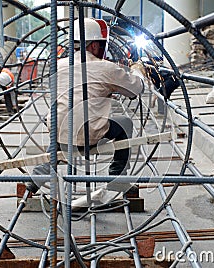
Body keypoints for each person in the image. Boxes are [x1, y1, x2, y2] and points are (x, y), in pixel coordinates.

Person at [27, 18, 151, 194]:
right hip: (88, 134)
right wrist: (137, 70)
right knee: (125, 123)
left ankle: (37, 178)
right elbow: (135, 90)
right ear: (94, 46)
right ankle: (118, 178)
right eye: (101, 46)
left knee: (63, 124)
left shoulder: (58, 65)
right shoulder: (106, 68)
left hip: (59, 131)